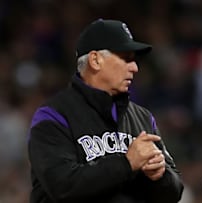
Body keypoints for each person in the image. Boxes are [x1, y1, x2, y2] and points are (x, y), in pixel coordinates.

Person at [27, 19, 184, 203]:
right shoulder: (53, 115)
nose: (135, 68)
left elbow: (175, 191)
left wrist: (160, 175)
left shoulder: (142, 118)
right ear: (95, 60)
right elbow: (62, 185)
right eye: (126, 58)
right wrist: (126, 164)